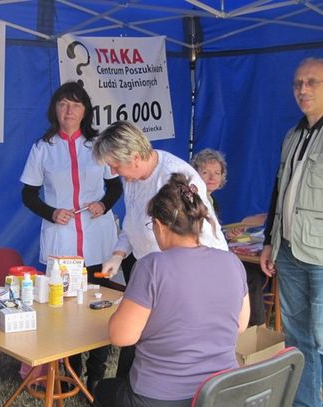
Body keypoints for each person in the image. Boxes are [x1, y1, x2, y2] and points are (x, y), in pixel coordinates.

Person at [93, 173, 250, 407]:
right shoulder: (232, 262)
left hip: (160, 396)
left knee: (105, 390)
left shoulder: (152, 265)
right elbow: (241, 324)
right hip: (220, 392)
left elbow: (121, 336)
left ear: (159, 225)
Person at [93, 120, 228, 378]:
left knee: (161, 353)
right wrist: (118, 254)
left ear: (134, 157)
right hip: (154, 276)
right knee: (135, 349)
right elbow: (134, 223)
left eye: (115, 164)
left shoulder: (176, 177)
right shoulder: (132, 177)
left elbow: (200, 239)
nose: (112, 170)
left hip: (184, 282)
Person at [20, 81, 123, 393]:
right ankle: (72, 369)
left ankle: (97, 374)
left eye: (76, 105)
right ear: (55, 108)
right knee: (67, 310)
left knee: (101, 305)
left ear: (85, 111)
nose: (69, 110)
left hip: (98, 240)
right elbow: (28, 194)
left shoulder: (99, 145)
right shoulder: (43, 148)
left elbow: (117, 186)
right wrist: (51, 212)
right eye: (64, 104)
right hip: (62, 243)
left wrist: (103, 204)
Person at [260, 57, 323, 407]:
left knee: (321, 336)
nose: (303, 89)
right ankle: (306, 403)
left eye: (312, 82)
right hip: (290, 250)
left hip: (320, 254)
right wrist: (270, 240)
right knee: (298, 338)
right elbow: (278, 190)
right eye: (298, 83)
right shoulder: (293, 134)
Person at [191, 148, 267, 327]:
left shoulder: (211, 201)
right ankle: (255, 329)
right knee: (250, 276)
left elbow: (212, 233)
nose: (212, 177)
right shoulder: (194, 201)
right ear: (194, 174)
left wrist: (227, 235)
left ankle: (252, 327)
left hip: (212, 257)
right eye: (205, 172)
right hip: (201, 262)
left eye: (216, 173)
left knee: (252, 274)